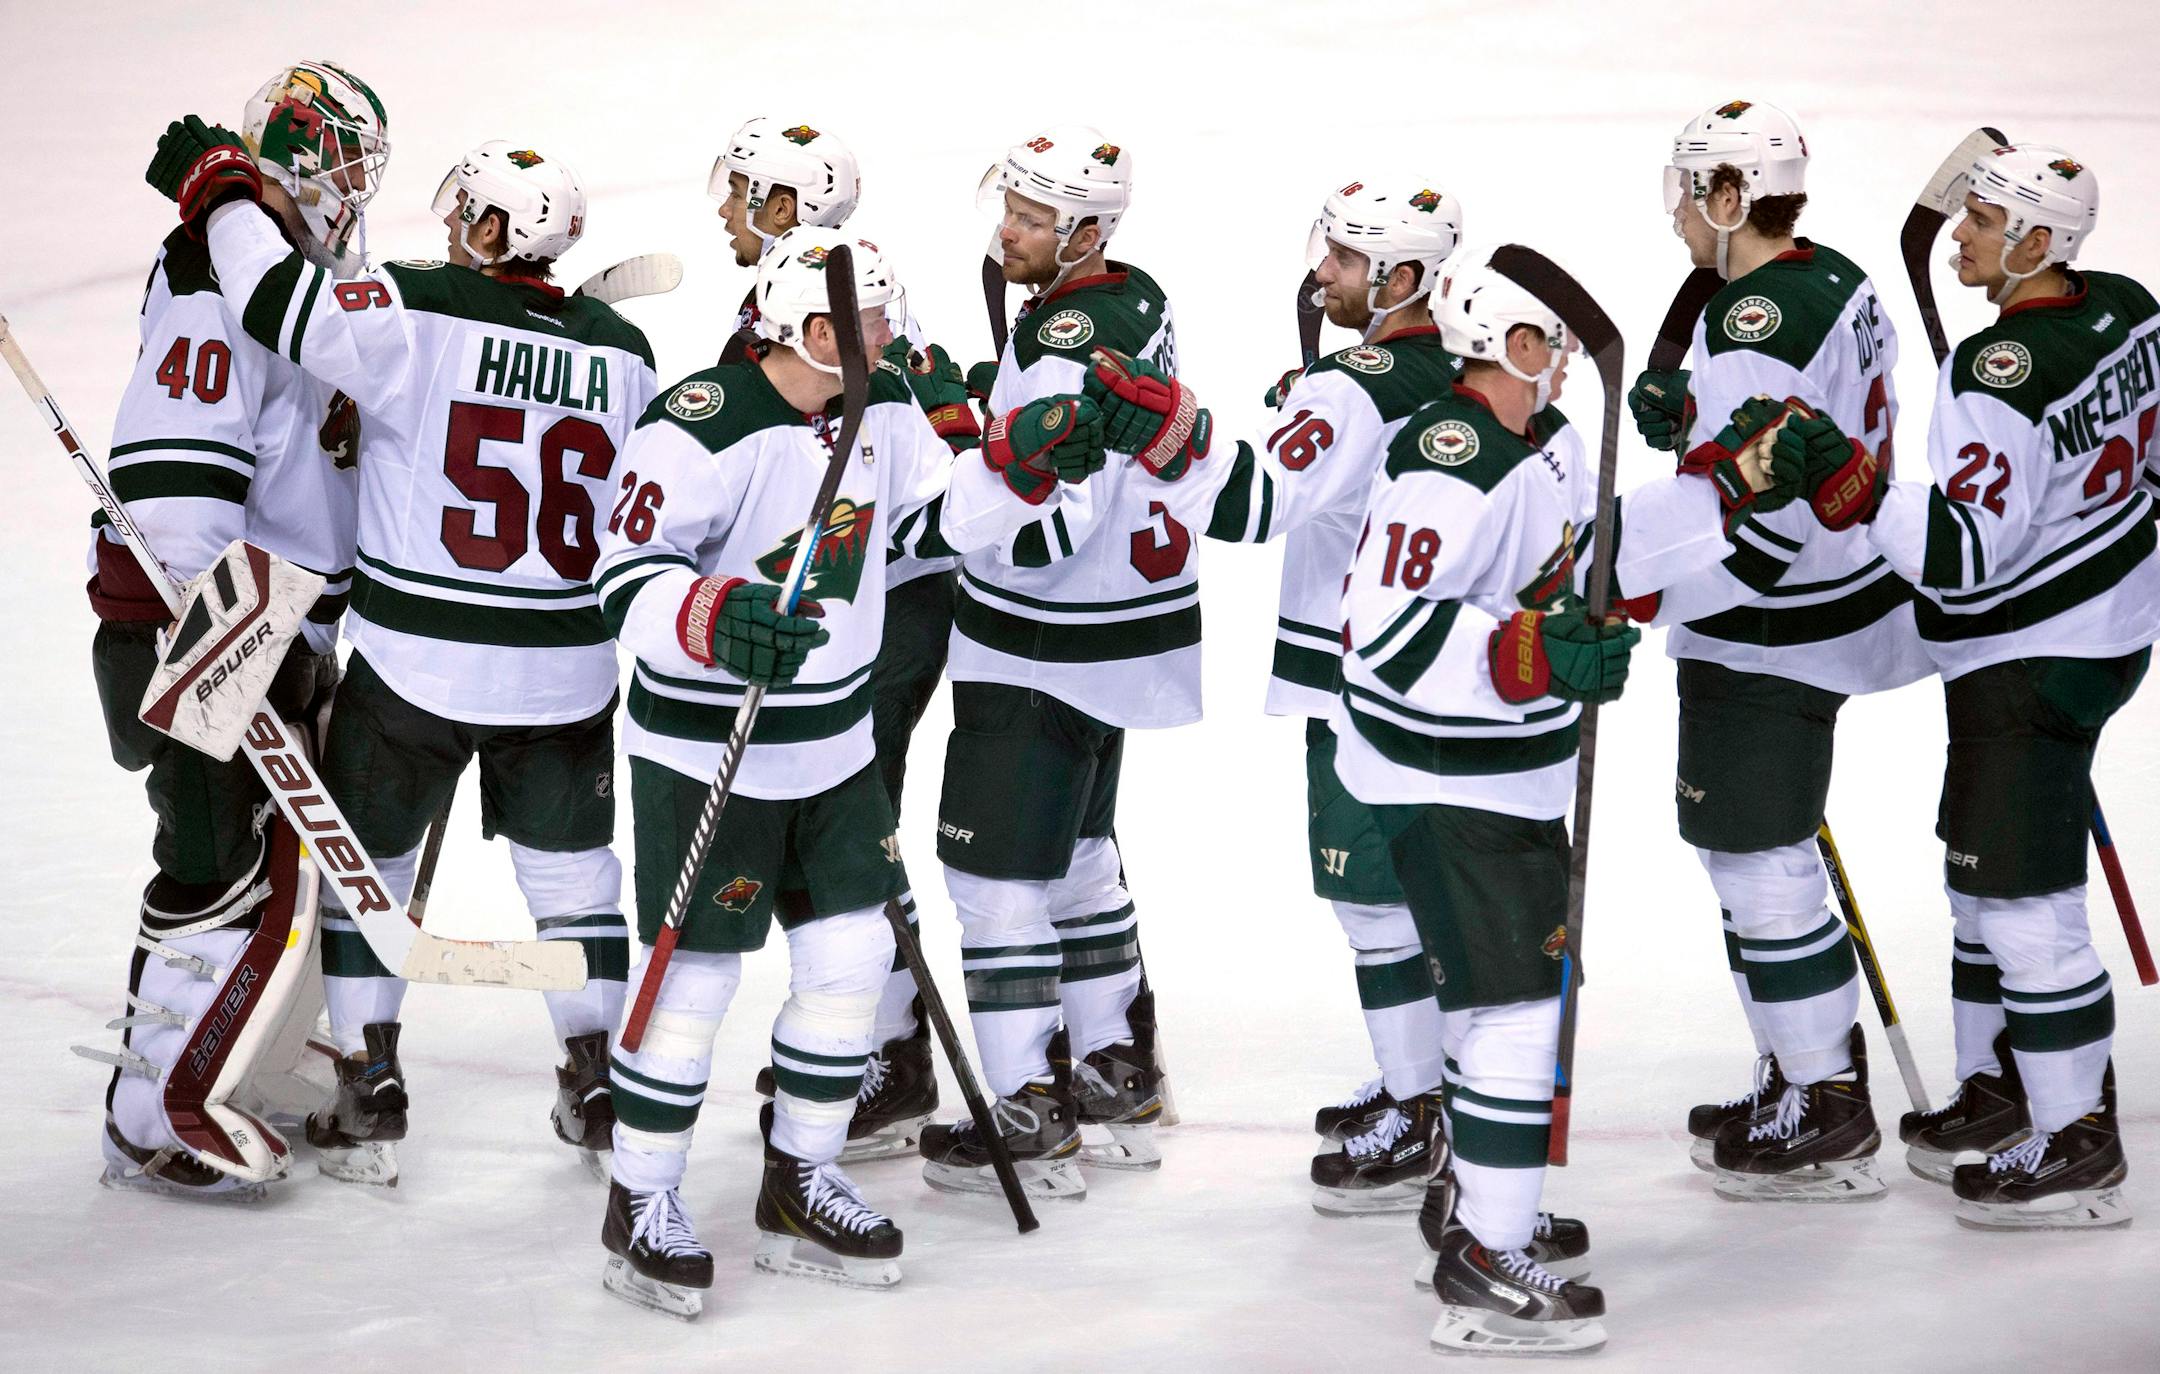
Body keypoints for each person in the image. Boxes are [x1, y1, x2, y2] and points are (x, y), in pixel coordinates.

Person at [588, 227, 1107, 1316]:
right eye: (875, 321)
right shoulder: (701, 424)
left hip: (833, 752)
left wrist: (1011, 473)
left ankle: (801, 1178)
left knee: (851, 964)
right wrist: (707, 613)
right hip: (708, 756)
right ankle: (640, 1198)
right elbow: (624, 573)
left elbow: (933, 524)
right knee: (693, 987)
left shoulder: (887, 410)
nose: (894, 334)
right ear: (820, 333)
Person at [147, 121, 660, 1185]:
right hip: (565, 671)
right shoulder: (626, 349)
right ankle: (596, 1075)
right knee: (576, 883)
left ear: (484, 224)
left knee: (366, 872)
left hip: (416, 662)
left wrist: (226, 195)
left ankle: (368, 1079)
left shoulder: (418, 301)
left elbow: (274, 303)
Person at [1778, 142, 2155, 1228]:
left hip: (2030, 661)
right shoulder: (2130, 308)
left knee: (2024, 904)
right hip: (2108, 634)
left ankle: (2078, 1141)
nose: (1962, 234)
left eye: (1985, 222)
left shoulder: (1997, 379)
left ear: (2040, 242)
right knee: (1981, 875)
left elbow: (1961, 557)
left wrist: (1859, 494)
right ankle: (2002, 1094)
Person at [83, 60, 388, 1201]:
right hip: (209, 607)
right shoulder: (212, 281)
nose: (356, 193)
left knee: (278, 867)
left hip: (274, 609)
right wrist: (223, 639)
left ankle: (230, 1065)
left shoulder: (290, 282)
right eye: (345, 165)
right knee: (213, 864)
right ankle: (152, 1108)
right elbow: (174, 485)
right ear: (296, 159)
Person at [1625, 100, 1930, 1199]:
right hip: (1858, 596)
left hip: (1774, 629)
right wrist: (1696, 417)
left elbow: (1763, 522)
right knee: (1761, 861)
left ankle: (1825, 1101)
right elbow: (1780, 440)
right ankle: (1796, 1074)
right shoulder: (1829, 275)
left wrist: (1647, 599)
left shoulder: (1751, 330)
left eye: (1688, 188)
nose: (1675, 210)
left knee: (1757, 865)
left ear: (1729, 197)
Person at [919, 124, 1206, 1195]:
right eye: (1014, 207)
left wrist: (959, 462)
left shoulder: (1059, 338)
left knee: (992, 879)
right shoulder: (1136, 297)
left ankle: (1025, 1114)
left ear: (1086, 229)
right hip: (1124, 637)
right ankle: (1114, 1069)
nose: (1011, 229)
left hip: (1040, 643)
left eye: (1035, 218)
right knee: (1081, 858)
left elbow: (1043, 532)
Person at [710, 116, 974, 1162]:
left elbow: (944, 474)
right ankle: (865, 1037)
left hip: (875, 622)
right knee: (823, 829)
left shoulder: (857, 326)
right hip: (834, 618)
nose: (724, 211)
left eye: (740, 193)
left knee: (845, 827)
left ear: (782, 211)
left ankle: (889, 1053)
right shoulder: (803, 315)